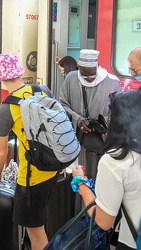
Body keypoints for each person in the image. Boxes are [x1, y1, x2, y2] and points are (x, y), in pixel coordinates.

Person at [71, 90, 141, 249]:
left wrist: (80, 182)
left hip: (135, 244)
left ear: (117, 121)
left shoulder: (115, 161)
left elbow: (103, 221)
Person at [0, 52, 59, 250]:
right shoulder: (42, 90)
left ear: (1, 79)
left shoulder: (5, 109)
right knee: (42, 219)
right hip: (54, 166)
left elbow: (2, 152)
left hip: (32, 176)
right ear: (20, 73)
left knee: (34, 229)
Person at [59, 49, 122, 181]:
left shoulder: (111, 81)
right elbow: (62, 104)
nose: (88, 78)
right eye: (84, 74)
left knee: (94, 179)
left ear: (97, 67)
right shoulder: (71, 78)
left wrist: (98, 124)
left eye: (92, 74)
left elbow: (118, 113)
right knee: (76, 178)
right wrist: (78, 119)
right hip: (75, 140)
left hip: (98, 144)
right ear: (79, 67)